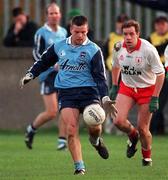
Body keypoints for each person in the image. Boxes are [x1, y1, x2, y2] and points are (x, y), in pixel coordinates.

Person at [20, 15, 117, 175]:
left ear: (87, 31)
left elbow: (100, 77)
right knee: (71, 130)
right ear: (71, 29)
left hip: (89, 92)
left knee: (95, 127)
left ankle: (96, 141)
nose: (80, 35)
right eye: (77, 31)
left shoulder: (94, 50)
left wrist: (105, 98)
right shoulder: (59, 46)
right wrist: (31, 74)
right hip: (67, 93)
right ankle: (79, 167)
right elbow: (44, 61)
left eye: (83, 32)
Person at [109, 20, 165, 166]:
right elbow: (115, 66)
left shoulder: (148, 50)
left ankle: (146, 157)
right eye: (125, 34)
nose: (128, 37)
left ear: (138, 34)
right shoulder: (118, 47)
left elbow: (160, 73)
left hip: (147, 90)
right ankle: (133, 136)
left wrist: (155, 97)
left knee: (143, 128)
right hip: (127, 87)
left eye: (131, 34)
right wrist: (115, 85)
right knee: (118, 121)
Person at [24, 2, 68, 150]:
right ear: (47, 15)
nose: (54, 16)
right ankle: (31, 129)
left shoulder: (63, 32)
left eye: (56, 13)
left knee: (66, 108)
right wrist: (52, 65)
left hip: (62, 75)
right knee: (51, 112)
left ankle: (62, 140)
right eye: (51, 13)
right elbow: (36, 54)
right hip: (47, 76)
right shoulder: (41, 33)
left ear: (60, 14)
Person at [103, 14, 129, 134]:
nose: (120, 24)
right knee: (110, 98)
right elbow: (104, 53)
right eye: (119, 22)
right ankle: (108, 125)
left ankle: (120, 124)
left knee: (122, 98)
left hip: (125, 72)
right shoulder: (111, 37)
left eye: (123, 22)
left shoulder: (129, 38)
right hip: (111, 71)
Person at [148, 16, 168, 135]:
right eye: (158, 24)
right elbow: (152, 52)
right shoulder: (151, 38)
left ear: (167, 25)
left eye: (163, 24)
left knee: (161, 100)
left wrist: (157, 49)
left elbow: (155, 50)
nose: (161, 26)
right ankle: (156, 129)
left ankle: (157, 128)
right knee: (159, 99)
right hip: (157, 71)